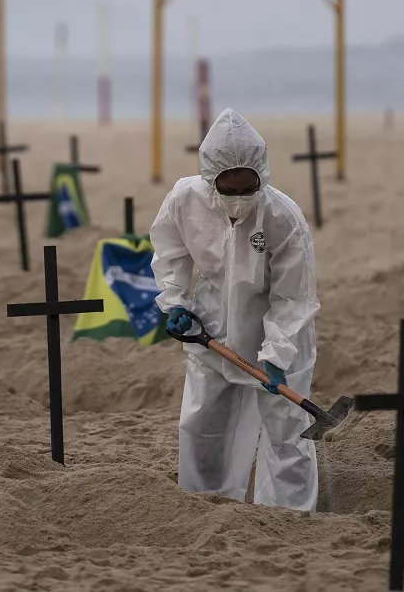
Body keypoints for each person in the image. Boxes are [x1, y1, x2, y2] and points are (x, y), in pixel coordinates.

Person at [150, 108, 321, 511]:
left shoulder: (283, 218)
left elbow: (292, 298)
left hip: (279, 330)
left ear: (262, 175)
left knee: (286, 433)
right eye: (230, 187)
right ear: (212, 179)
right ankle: (204, 505)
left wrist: (276, 355)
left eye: (249, 187)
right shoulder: (185, 199)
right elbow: (169, 252)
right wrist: (173, 303)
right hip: (210, 327)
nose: (240, 196)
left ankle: (289, 515)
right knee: (203, 422)